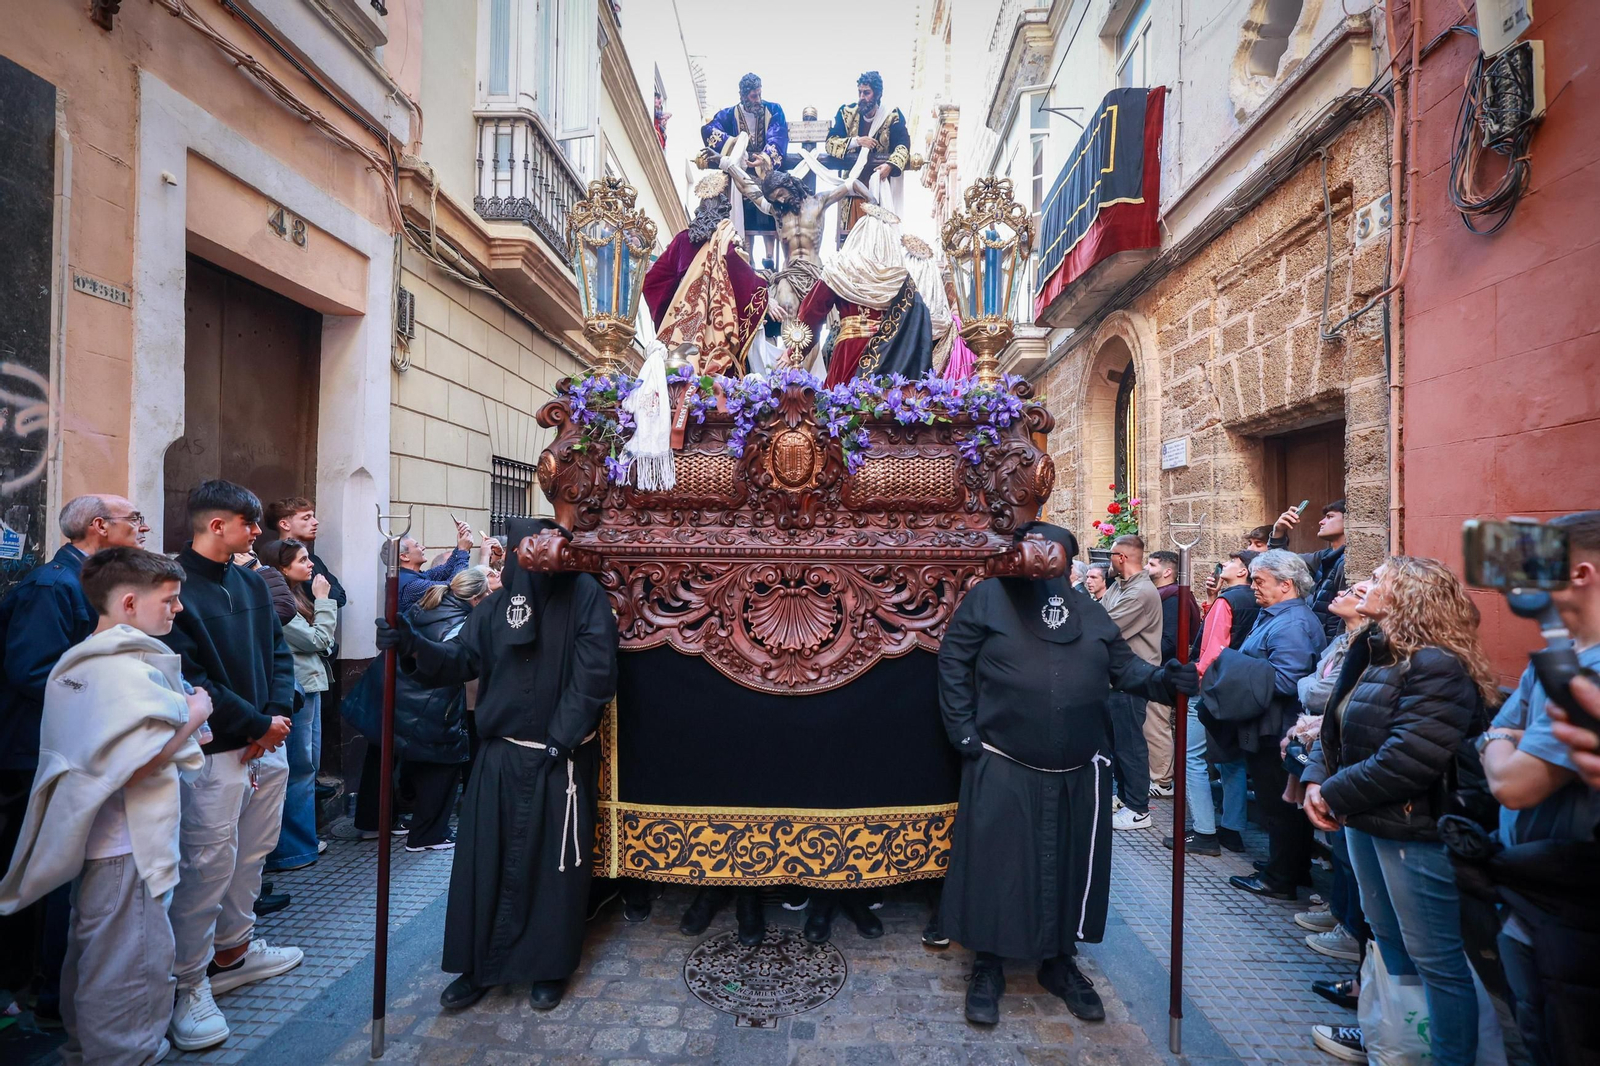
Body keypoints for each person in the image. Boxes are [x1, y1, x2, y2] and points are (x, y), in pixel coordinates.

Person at [937, 522, 1198, 1026]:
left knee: (1069, 866)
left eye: (1047, 546)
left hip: (1077, 767)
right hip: (1003, 759)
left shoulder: (1088, 611)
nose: (1036, 555)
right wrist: (962, 731)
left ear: (1067, 557)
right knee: (997, 868)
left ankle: (1059, 962)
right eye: (1028, 545)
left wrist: (1167, 679)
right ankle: (988, 964)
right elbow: (953, 662)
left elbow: (1127, 670)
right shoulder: (990, 598)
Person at [376, 517, 617, 1013]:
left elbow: (595, 671)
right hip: (501, 755)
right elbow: (461, 660)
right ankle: (477, 966)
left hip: (559, 756)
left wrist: (562, 737)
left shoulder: (584, 595)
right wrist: (411, 646)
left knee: (552, 869)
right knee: (484, 862)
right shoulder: (497, 608)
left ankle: (548, 966)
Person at [0, 547, 211, 1066]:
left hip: (105, 843)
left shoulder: (84, 661)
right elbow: (133, 766)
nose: (177, 609)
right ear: (132, 603)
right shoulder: (116, 669)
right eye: (170, 599)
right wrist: (194, 712)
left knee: (97, 952)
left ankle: (88, 1049)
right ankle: (122, 1055)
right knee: (128, 961)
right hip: (124, 843)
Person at [1302, 557, 1502, 1066]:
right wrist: (1317, 780)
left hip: (1414, 830)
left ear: (1409, 597)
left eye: (1379, 580)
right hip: (1367, 822)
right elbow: (1337, 729)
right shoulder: (1374, 652)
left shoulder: (1436, 664)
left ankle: (1451, 1056)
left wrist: (1333, 794)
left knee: (1436, 958)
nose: (1364, 584)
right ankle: (1395, 1038)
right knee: (1385, 938)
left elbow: (1410, 756)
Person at [161, 480, 302, 1051]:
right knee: (206, 865)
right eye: (249, 525)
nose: (258, 534)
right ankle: (188, 982)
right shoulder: (173, 587)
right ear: (217, 525)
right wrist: (255, 725)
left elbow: (278, 651)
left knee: (253, 854)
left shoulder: (248, 580)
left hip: (267, 743)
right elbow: (190, 673)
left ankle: (235, 949)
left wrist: (276, 717)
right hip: (218, 752)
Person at [0, 494, 149, 1019]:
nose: (143, 527)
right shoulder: (52, 586)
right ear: (98, 526)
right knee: (42, 872)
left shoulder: (91, 583)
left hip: (74, 745)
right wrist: (111, 705)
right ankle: (38, 988)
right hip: (37, 752)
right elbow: (35, 671)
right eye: (134, 520)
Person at [1480, 511, 1600, 1064]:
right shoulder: (1553, 658)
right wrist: (1505, 734)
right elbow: (1502, 730)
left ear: (1579, 573)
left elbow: (1512, 781)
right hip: (1528, 888)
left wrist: (1501, 738)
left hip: (1574, 902)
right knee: (1534, 1034)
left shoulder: (1590, 670)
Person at [1213, 550, 1325, 900]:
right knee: (1278, 803)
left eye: (1259, 582)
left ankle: (1281, 878)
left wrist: (1233, 671)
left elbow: (1286, 680)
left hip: (1278, 727)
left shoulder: (1292, 624)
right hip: (1268, 723)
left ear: (1286, 585)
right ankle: (1289, 866)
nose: (1253, 587)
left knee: (1279, 806)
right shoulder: (1276, 615)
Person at [354, 567, 488, 852]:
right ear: (477, 598)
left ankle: (373, 822)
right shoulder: (464, 620)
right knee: (442, 765)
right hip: (426, 702)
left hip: (390, 693)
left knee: (382, 754)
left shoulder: (430, 601)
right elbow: (453, 661)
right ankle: (429, 834)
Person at [1290, 585, 1372, 976]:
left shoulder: (1369, 648)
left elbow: (1323, 691)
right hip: (1327, 744)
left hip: (1350, 762)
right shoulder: (1344, 640)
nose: (1345, 590)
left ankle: (1350, 926)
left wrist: (1309, 689)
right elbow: (1315, 684)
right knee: (1341, 849)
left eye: (1359, 587)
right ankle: (1341, 912)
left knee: (1350, 850)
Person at [1164, 550, 1258, 856]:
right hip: (1240, 685)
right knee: (1231, 759)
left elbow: (1213, 648)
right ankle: (1233, 828)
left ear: (1243, 571)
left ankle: (1204, 830)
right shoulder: (1254, 598)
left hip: (1212, 686)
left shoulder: (1227, 601)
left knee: (1193, 758)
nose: (1222, 565)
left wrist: (1195, 682)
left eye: (1230, 563)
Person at [256, 539, 337, 872]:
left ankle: (301, 842)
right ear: (282, 567)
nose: (311, 565)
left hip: (310, 685)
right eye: (302, 560)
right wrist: (324, 601)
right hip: (297, 689)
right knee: (299, 767)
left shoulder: (296, 596)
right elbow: (319, 640)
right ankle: (292, 849)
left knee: (307, 767)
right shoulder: (281, 602)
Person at [640, 173, 770, 376]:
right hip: (718, 331)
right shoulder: (728, 240)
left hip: (681, 326)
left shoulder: (682, 240)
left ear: (700, 210)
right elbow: (743, 281)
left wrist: (668, 306)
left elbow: (653, 281)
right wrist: (763, 284)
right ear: (723, 210)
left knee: (674, 376)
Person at [791, 204, 933, 385]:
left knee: (842, 406)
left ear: (857, 235)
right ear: (888, 241)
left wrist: (794, 353)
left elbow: (812, 311)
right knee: (885, 406)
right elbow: (920, 317)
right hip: (891, 353)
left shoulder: (840, 269)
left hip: (849, 351)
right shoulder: (900, 278)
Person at [1099, 534, 1162, 830]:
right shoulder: (1119, 586)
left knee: (1130, 744)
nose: (1107, 560)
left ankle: (1139, 808)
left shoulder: (1141, 593)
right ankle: (1124, 799)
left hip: (1131, 679)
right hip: (1114, 679)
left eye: (1111, 554)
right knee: (1117, 744)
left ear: (1122, 557)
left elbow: (1103, 626)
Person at [697, 72, 788, 252]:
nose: (758, 100)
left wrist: (765, 157)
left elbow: (779, 134)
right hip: (738, 172)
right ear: (743, 96)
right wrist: (734, 144)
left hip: (765, 172)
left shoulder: (774, 110)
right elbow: (709, 130)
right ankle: (745, 251)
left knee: (771, 206)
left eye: (760, 94)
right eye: (754, 96)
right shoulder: (730, 114)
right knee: (742, 209)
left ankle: (770, 254)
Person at [824, 71, 911, 240]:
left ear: (877, 94)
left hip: (879, 186)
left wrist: (890, 165)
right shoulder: (846, 113)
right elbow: (830, 143)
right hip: (853, 185)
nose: (862, 97)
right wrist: (857, 141)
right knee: (852, 236)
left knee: (878, 237)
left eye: (867, 93)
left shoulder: (892, 116)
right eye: (860, 92)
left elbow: (903, 145)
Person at [1145, 550, 1199, 798]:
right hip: (1160, 668)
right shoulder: (1165, 596)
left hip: (1164, 669)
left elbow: (1170, 639)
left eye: (1152, 564)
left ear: (1167, 571)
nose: (1146, 567)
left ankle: (1162, 780)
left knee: (1157, 725)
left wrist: (1146, 658)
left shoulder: (1174, 598)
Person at [1269, 500, 1347, 640]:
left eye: (1329, 517)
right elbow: (1279, 563)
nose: (1321, 522)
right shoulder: (1324, 556)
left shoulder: (1346, 562)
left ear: (1349, 520)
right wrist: (1278, 531)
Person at [263, 496, 346, 607]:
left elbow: (340, 598)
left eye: (313, 517)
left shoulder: (314, 560)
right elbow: (311, 593)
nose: (315, 522)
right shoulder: (274, 557)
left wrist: (324, 594)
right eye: (306, 518)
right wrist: (322, 593)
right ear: (285, 524)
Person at [390, 520, 476, 616]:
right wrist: (463, 550)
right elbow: (456, 586)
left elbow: (446, 569)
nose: (423, 547)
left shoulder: (413, 576)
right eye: (417, 545)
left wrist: (462, 541)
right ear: (404, 557)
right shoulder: (411, 586)